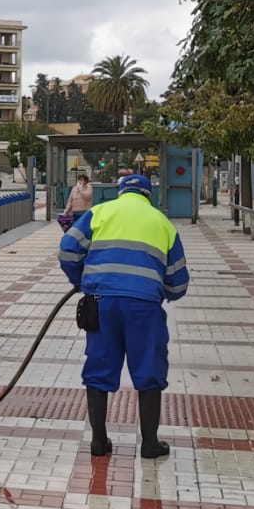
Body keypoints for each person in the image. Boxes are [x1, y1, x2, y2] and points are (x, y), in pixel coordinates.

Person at [58, 174, 190, 459]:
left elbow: (67, 251)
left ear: (120, 193)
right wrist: (161, 291)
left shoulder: (99, 213)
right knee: (149, 370)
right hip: (144, 307)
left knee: (99, 367)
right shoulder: (162, 223)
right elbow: (178, 282)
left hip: (101, 303)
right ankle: (150, 444)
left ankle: (98, 441)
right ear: (148, 195)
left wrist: (82, 281)